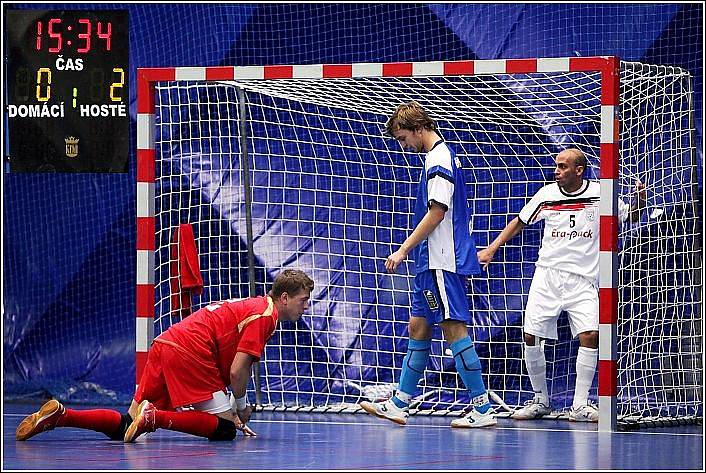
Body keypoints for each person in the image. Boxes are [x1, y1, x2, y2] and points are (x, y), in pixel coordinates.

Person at [16, 269, 314, 442]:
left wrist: (231, 405)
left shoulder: (253, 306)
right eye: (303, 301)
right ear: (284, 298)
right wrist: (240, 406)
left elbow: (231, 365)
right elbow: (238, 371)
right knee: (224, 431)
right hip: (193, 352)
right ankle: (156, 417)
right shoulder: (265, 316)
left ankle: (62, 416)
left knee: (127, 426)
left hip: (167, 343)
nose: (306, 307)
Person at [477, 148, 646, 422]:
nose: (557, 171)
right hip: (548, 276)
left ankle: (579, 405)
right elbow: (519, 221)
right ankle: (541, 400)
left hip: (583, 280)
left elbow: (631, 217)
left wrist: (640, 199)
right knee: (531, 335)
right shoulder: (546, 195)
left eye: (563, 167)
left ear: (579, 170)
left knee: (591, 335)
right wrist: (492, 248)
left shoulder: (602, 193)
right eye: (556, 166)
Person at [359, 101, 496, 428]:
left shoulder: (438, 159)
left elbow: (438, 212)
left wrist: (403, 249)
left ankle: (482, 407)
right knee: (418, 326)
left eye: (403, 137)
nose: (403, 145)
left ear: (418, 128)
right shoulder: (440, 156)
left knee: (452, 327)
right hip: (431, 261)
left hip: (440, 260)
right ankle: (400, 402)